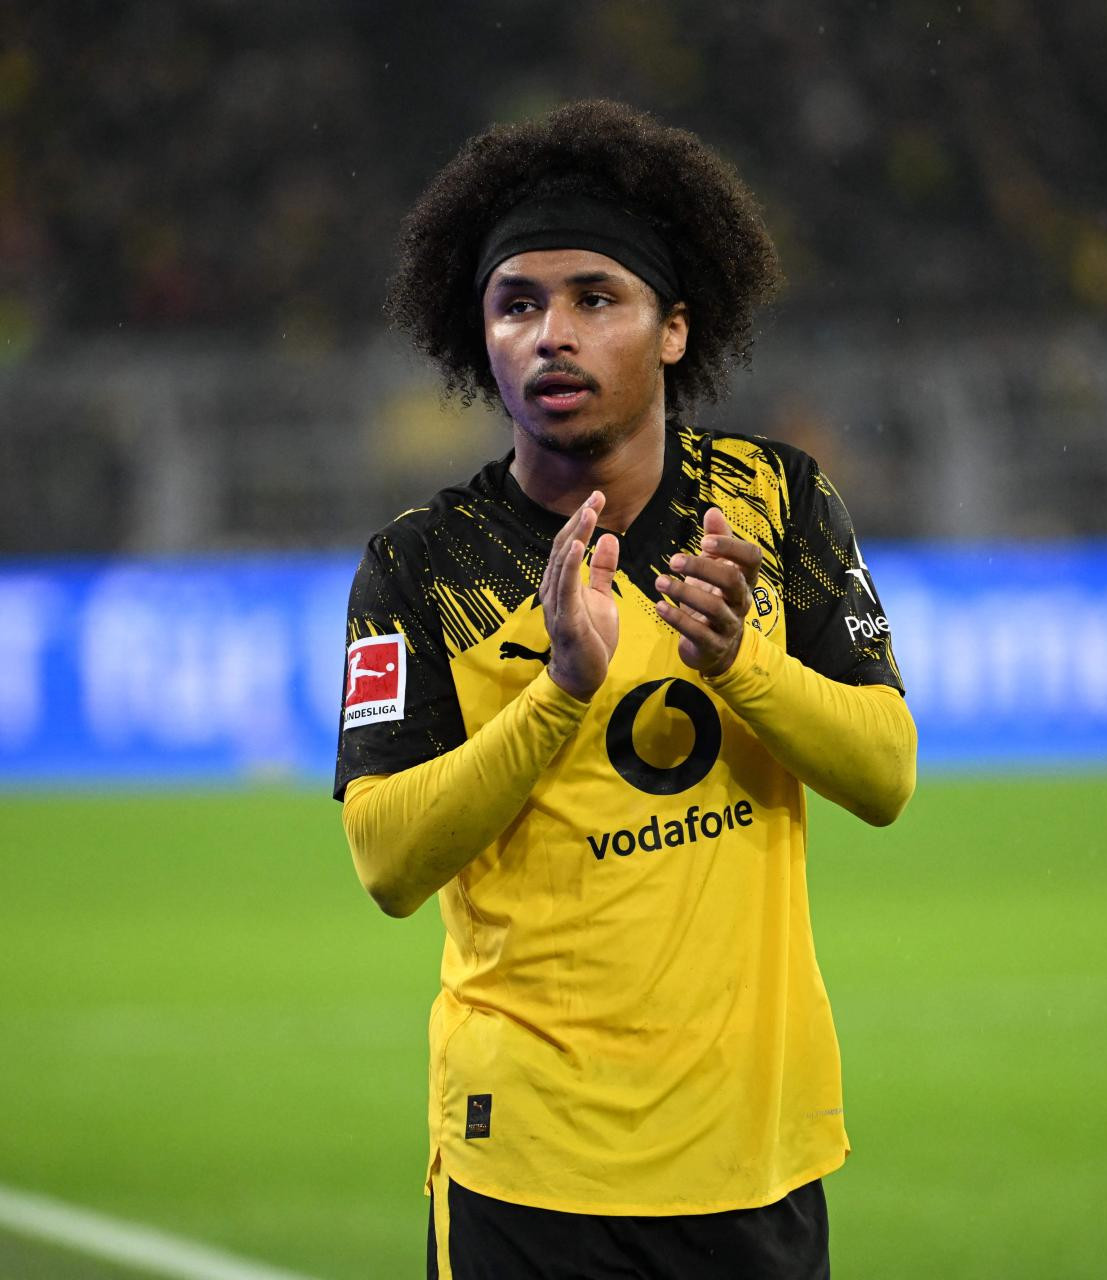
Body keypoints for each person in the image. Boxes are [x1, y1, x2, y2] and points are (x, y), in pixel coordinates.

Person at [335, 99, 916, 1279]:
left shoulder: (776, 504)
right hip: (525, 1162)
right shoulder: (425, 563)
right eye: (516, 304)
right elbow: (387, 861)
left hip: (751, 1152)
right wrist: (558, 692)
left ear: (674, 328)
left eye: (596, 297)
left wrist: (742, 662)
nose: (552, 334)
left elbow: (884, 774)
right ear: (478, 336)